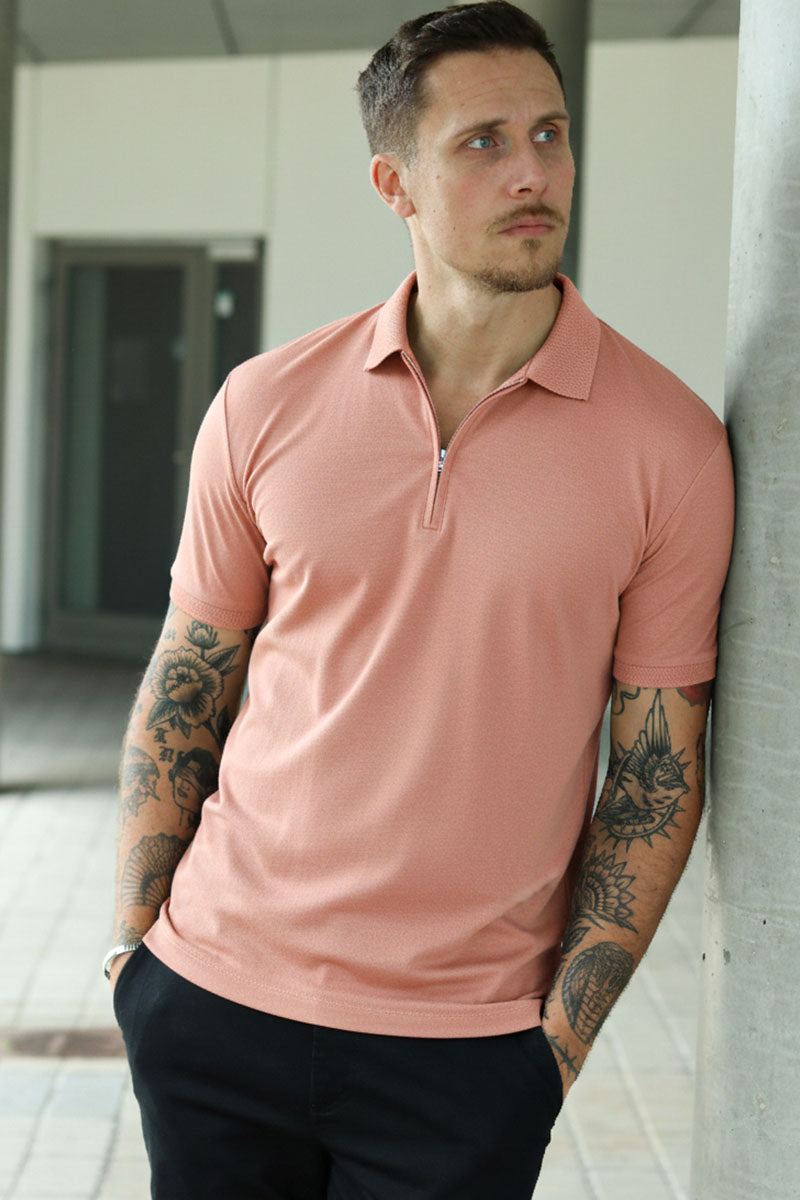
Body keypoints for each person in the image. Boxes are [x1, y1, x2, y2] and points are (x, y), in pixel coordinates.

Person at [106, 3, 735, 1197]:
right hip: (211, 1004)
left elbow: (653, 773)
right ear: (393, 183)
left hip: (462, 1057)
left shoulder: (670, 448)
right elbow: (188, 681)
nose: (532, 171)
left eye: (548, 133)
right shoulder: (264, 404)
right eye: (482, 142)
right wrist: (135, 956)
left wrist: (551, 1055)